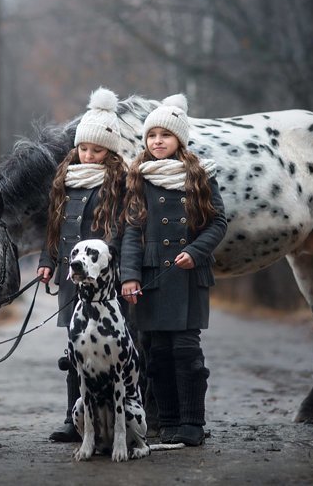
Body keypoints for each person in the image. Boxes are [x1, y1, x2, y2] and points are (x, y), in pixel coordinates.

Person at [120, 93, 227, 446]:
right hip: (151, 278)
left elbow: (218, 223)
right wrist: (130, 276)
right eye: (152, 136)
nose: (157, 142)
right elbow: (133, 232)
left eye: (165, 135)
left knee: (185, 350)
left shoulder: (200, 175)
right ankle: (167, 423)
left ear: (180, 139)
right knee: (156, 353)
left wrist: (195, 252)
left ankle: (193, 424)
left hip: (187, 276)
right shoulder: (138, 178)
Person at [37, 87, 127, 442]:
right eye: (84, 148)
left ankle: (121, 415)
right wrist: (48, 261)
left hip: (104, 284)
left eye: (97, 150)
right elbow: (54, 229)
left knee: (111, 347)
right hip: (72, 280)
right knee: (75, 347)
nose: (89, 155)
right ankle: (75, 418)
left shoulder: (118, 184)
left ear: (110, 152)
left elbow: (121, 231)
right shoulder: (65, 181)